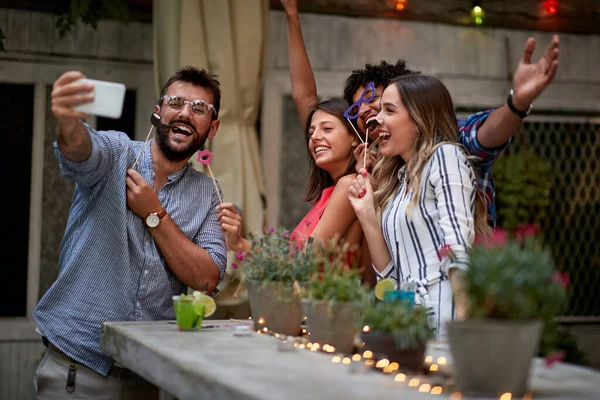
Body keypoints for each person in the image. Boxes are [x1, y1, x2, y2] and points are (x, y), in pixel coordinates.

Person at [33, 66, 227, 399]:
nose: (184, 113)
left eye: (198, 109)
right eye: (176, 102)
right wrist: (67, 123)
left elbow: (208, 278)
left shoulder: (208, 192)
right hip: (78, 368)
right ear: (158, 111)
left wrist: (154, 213)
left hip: (146, 376)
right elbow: (80, 148)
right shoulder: (117, 154)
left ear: (213, 127)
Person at [280, 0, 559, 227]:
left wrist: (517, 103)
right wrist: (292, 17)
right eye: (358, 109)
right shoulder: (372, 166)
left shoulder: (445, 144)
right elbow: (307, 102)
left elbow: (484, 134)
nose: (367, 111)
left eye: (375, 100)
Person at [347, 74, 490, 336]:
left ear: (419, 119)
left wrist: (464, 334)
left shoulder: (445, 157)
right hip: (407, 326)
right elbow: (390, 279)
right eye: (380, 111)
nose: (377, 119)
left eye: (389, 110)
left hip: (445, 323)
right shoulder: (398, 181)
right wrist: (367, 214)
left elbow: (459, 255)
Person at [218, 97, 366, 267]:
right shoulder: (332, 191)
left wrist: (241, 245)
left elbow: (306, 257)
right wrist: (238, 243)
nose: (315, 137)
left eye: (327, 128)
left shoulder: (349, 184)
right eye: (311, 133)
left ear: (354, 137)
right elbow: (297, 256)